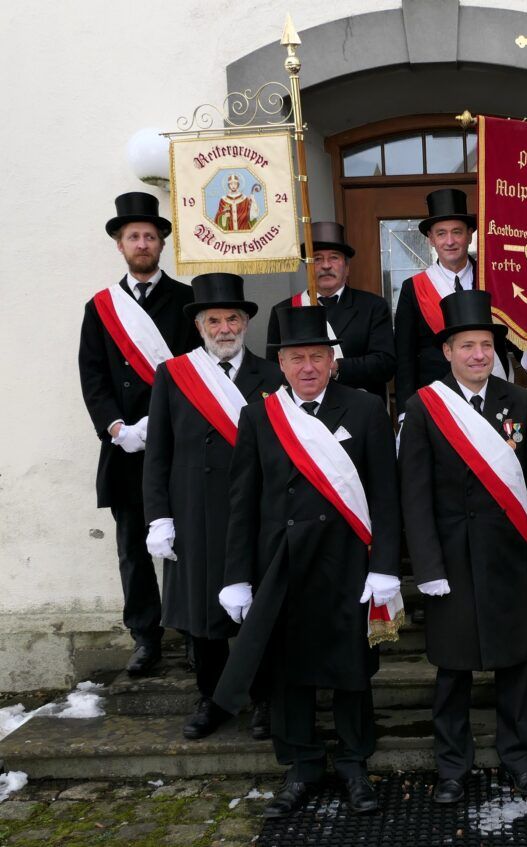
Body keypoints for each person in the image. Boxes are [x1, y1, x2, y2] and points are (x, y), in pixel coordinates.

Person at [213, 306, 401, 819]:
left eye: (318, 356)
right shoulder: (260, 416)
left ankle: (355, 763)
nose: (308, 367)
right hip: (283, 564)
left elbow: (386, 496)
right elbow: (242, 503)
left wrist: (386, 566)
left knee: (351, 669)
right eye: (297, 358)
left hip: (347, 563)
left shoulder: (364, 409)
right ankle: (301, 766)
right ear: (281, 364)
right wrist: (237, 577)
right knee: (288, 670)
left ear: (333, 361)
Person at [399, 290, 527, 804]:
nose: (478, 355)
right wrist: (427, 566)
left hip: (510, 554)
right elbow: (414, 494)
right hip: (451, 559)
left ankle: (520, 760)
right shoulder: (424, 407)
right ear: (447, 351)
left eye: (486, 345)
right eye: (467, 346)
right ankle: (451, 767)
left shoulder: (521, 402)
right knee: (453, 670)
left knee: (514, 667)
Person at [143, 273, 281, 741]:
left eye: (233, 319)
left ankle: (265, 697)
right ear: (200, 326)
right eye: (215, 320)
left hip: (257, 512)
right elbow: (158, 453)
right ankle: (213, 698)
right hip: (195, 512)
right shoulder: (174, 375)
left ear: (245, 323)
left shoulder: (272, 375)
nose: (225, 329)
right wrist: (159, 517)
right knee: (204, 615)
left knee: (260, 609)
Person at [78, 192, 200, 676]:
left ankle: (194, 632)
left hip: (178, 442)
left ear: (161, 244)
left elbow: (198, 372)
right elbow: (93, 376)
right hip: (125, 446)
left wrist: (163, 421)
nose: (143, 243)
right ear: (120, 244)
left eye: (150, 236)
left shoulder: (188, 301)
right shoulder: (100, 307)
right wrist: (116, 427)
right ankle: (145, 637)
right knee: (133, 546)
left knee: (185, 542)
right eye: (134, 236)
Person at [393, 189, 517, 417]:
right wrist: (404, 412)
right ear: (431, 239)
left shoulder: (494, 279)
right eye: (441, 234)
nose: (449, 241)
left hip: (493, 394)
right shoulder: (413, 288)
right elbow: (405, 357)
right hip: (437, 400)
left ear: (470, 235)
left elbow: (514, 328)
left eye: (457, 232)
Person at [266, 221, 395, 405]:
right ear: (307, 268)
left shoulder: (373, 306)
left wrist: (336, 367)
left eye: (334, 258)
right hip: (305, 411)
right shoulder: (283, 311)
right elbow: (274, 371)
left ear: (347, 267)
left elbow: (385, 364)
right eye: (317, 259)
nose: (326, 265)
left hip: (358, 408)